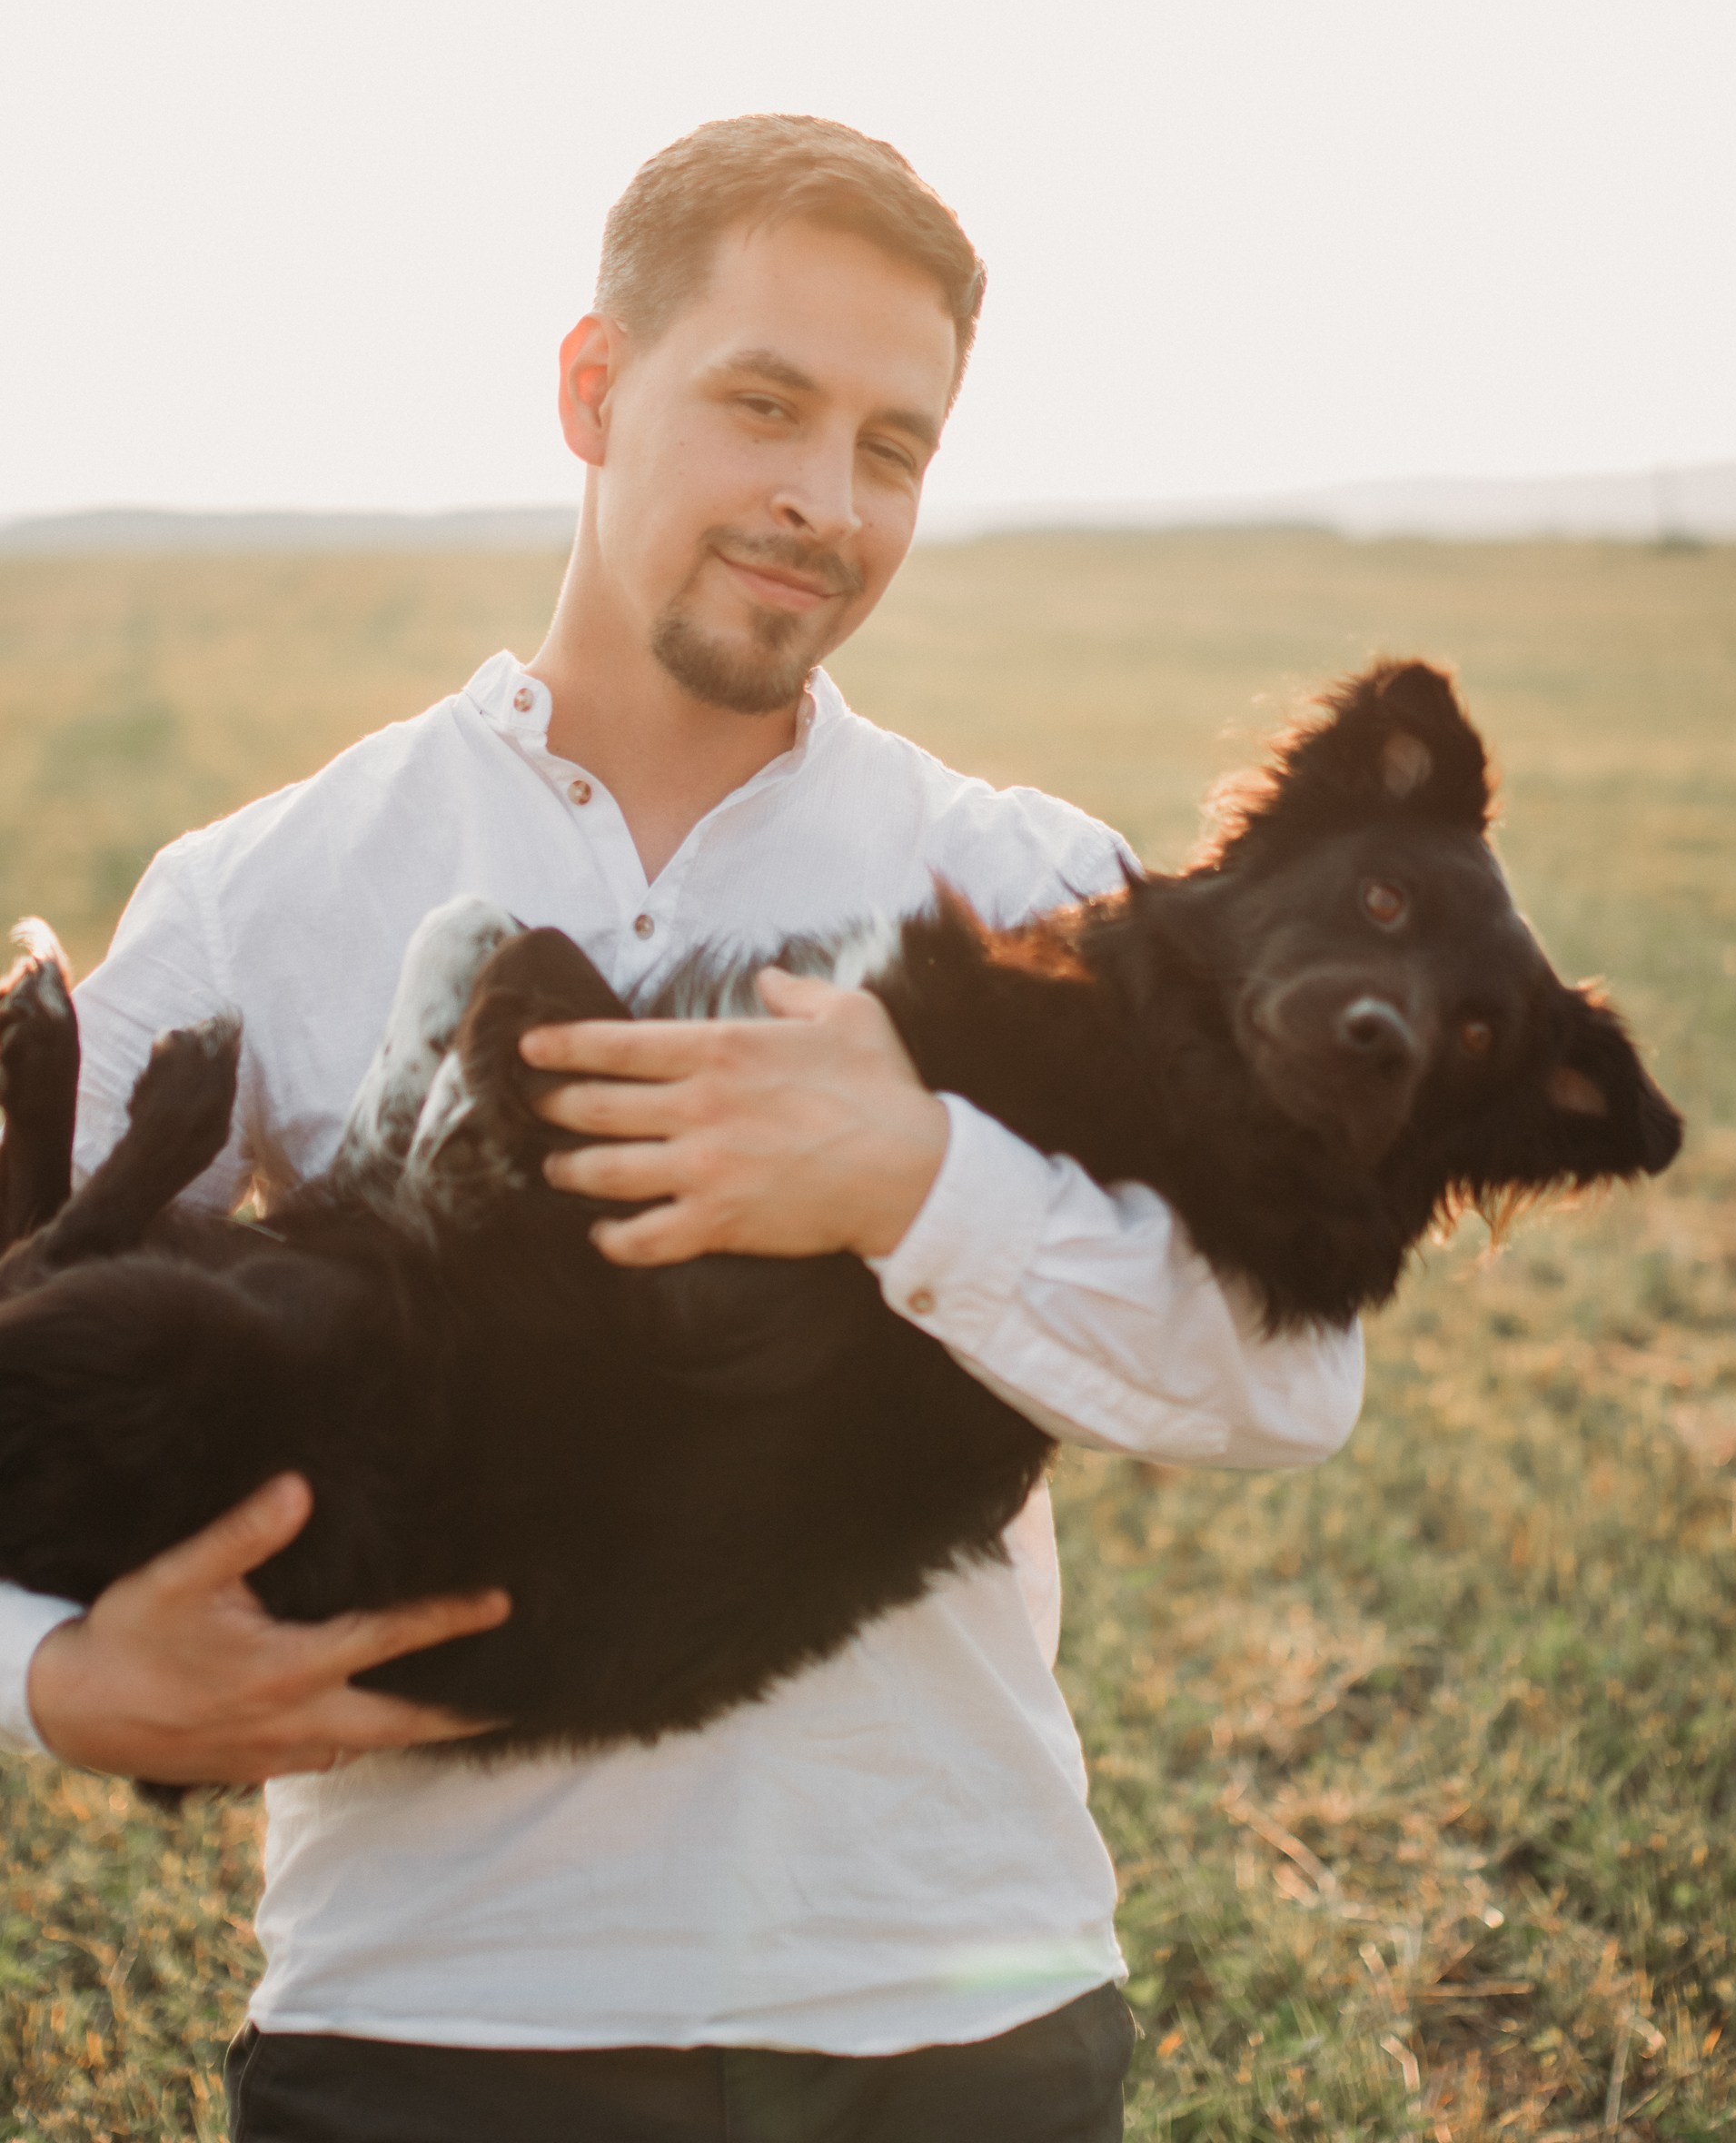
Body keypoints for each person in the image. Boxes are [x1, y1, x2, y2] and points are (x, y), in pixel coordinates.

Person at [2, 115, 1364, 2142]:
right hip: (430, 2031)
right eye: (761, 406)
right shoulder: (261, 887)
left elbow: (1286, 1378)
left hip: (951, 2006)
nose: (823, 500)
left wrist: (913, 1178)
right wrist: (41, 1682)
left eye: (892, 447)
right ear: (588, 388)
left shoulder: (1022, 882)